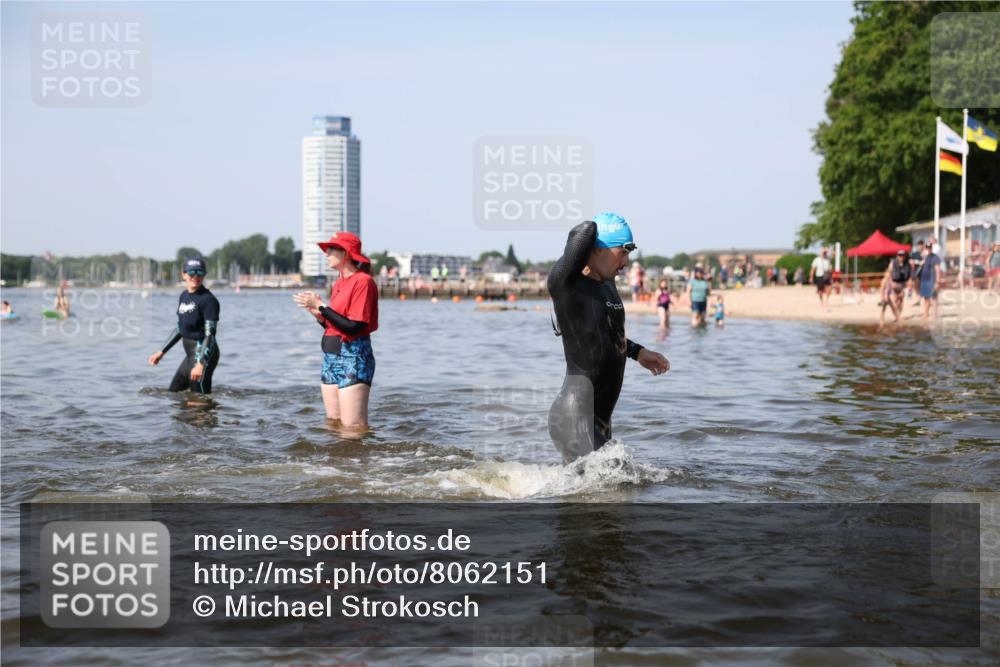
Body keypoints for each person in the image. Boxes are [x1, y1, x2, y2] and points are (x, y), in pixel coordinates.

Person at [547, 213, 669, 463]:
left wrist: (637, 352)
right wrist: (601, 227)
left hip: (600, 419)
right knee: (608, 481)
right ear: (596, 249)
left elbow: (604, 335)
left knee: (609, 483)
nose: (626, 261)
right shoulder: (567, 286)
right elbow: (582, 232)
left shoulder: (608, 285)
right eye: (622, 252)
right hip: (574, 416)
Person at [293, 232, 378, 428]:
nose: (327, 253)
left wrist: (322, 306)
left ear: (346, 253)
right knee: (333, 423)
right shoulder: (338, 282)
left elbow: (355, 326)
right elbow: (336, 325)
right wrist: (318, 314)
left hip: (353, 358)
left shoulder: (363, 281)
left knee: (353, 427)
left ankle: (362, 450)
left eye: (331, 249)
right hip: (331, 358)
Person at [148, 258, 221, 394]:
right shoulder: (184, 296)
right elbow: (180, 328)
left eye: (200, 273)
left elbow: (210, 335)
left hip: (203, 355)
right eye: (191, 272)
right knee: (173, 393)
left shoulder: (208, 300)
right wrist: (161, 351)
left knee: (200, 400)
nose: (196, 276)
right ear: (183, 275)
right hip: (190, 356)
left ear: (204, 275)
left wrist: (201, 363)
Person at [878, 250, 911, 327]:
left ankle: (897, 316)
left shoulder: (905, 265)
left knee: (899, 301)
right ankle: (887, 316)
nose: (901, 257)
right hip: (891, 287)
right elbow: (882, 288)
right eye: (900, 255)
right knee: (889, 303)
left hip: (899, 285)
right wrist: (882, 297)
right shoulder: (892, 266)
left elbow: (906, 278)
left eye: (902, 255)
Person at [919, 243, 942, 321]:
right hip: (924, 280)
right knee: (926, 298)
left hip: (932, 280)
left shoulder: (935, 257)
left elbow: (938, 270)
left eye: (929, 248)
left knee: (934, 298)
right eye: (927, 248)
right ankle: (926, 314)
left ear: (931, 248)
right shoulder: (926, 257)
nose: (928, 249)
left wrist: (937, 282)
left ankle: (935, 315)